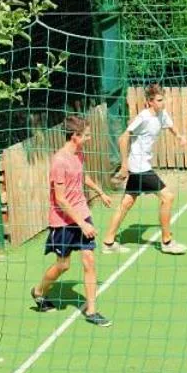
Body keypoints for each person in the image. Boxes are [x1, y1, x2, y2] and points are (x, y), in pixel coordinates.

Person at [32, 114, 117, 325]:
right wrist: (82, 223)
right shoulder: (59, 161)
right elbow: (60, 199)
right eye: (86, 135)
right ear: (74, 136)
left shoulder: (79, 154)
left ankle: (91, 311)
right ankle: (38, 291)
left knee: (89, 260)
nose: (89, 138)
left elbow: (81, 176)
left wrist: (100, 191)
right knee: (63, 265)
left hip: (82, 214)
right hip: (63, 221)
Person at [104, 84, 187, 254]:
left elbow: (170, 125)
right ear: (149, 102)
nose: (163, 103)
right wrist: (125, 165)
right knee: (168, 197)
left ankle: (108, 242)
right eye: (159, 100)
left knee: (126, 203)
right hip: (139, 167)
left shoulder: (161, 114)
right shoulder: (143, 117)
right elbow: (122, 139)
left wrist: (179, 136)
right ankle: (167, 242)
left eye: (163, 99)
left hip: (142, 166)